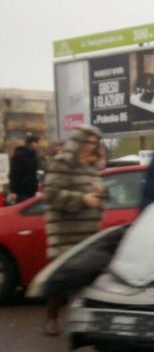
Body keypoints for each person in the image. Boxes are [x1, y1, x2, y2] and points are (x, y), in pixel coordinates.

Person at [42, 125, 107, 336]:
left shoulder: (90, 167)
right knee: (61, 277)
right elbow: (51, 194)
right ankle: (51, 319)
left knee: (87, 276)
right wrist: (82, 199)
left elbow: (101, 196)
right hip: (65, 231)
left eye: (94, 143)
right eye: (88, 142)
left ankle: (85, 321)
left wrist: (102, 192)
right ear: (78, 141)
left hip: (87, 231)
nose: (91, 147)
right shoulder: (62, 163)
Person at [9, 133, 41, 203]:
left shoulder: (33, 156)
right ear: (31, 143)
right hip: (21, 193)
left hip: (31, 191)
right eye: (37, 143)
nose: (38, 145)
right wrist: (13, 191)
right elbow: (14, 174)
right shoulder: (19, 156)